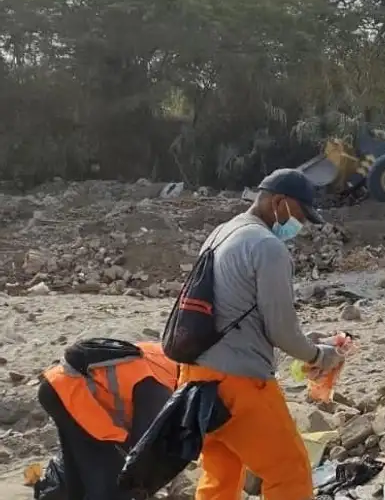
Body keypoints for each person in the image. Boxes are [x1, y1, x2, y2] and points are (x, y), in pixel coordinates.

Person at [180, 168, 344, 500]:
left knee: (221, 473)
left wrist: (306, 340)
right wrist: (321, 356)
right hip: (239, 384)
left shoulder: (222, 233)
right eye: (298, 215)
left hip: (196, 378)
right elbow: (281, 330)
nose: (299, 226)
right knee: (290, 469)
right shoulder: (267, 246)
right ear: (278, 202)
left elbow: (238, 312)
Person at [37, 338, 178, 500]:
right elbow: (143, 448)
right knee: (110, 482)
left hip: (58, 386)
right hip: (70, 394)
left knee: (78, 472)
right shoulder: (159, 387)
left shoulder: (163, 356)